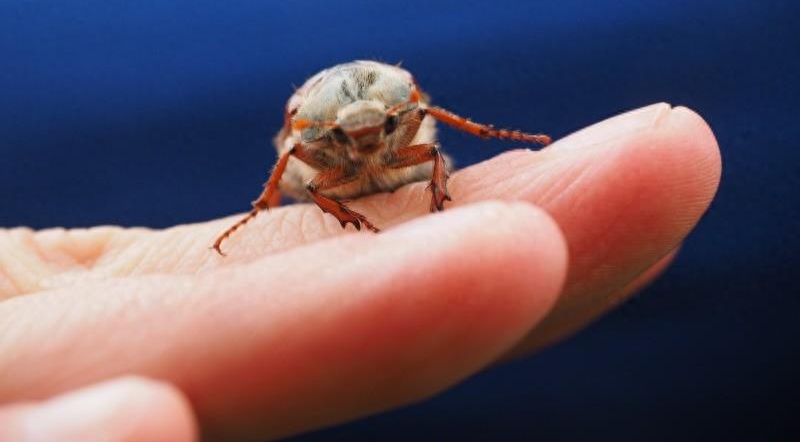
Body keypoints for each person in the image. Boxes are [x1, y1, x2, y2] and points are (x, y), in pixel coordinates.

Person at [0, 103, 720, 441]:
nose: (373, 139)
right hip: (330, 181)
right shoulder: (314, 142)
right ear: (333, 131)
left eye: (384, 129)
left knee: (453, 192)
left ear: (395, 118)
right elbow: (296, 167)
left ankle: (436, 210)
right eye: (358, 132)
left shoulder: (406, 118)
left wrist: (477, 153)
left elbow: (433, 136)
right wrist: (267, 202)